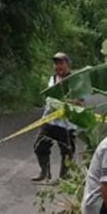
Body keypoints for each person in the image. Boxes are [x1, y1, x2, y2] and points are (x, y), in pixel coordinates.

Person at [32, 52, 78, 183]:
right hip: (49, 119)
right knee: (39, 145)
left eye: (61, 63)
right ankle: (45, 172)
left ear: (67, 64)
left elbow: (80, 101)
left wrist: (64, 102)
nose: (58, 66)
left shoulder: (74, 80)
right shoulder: (52, 79)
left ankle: (64, 177)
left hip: (66, 123)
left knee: (67, 151)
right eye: (56, 63)